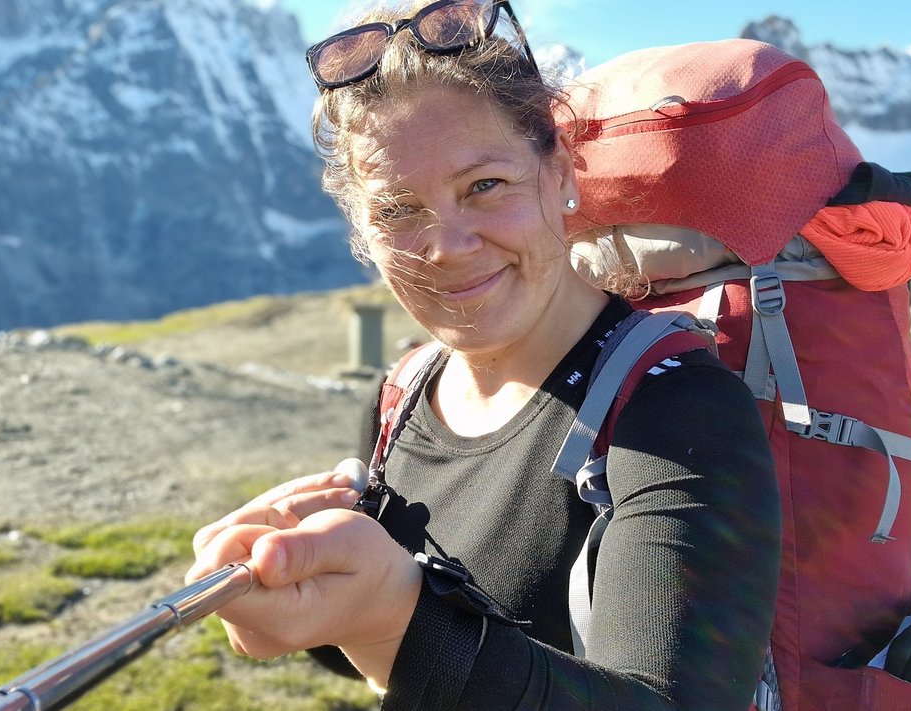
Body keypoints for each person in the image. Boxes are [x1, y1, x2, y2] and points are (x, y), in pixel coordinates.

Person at [186, 1, 782, 708]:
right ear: (359, 230)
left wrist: (401, 613)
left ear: (560, 171)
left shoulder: (681, 411)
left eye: (484, 186)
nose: (448, 245)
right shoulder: (403, 393)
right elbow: (402, 661)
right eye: (397, 209)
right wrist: (304, 592)